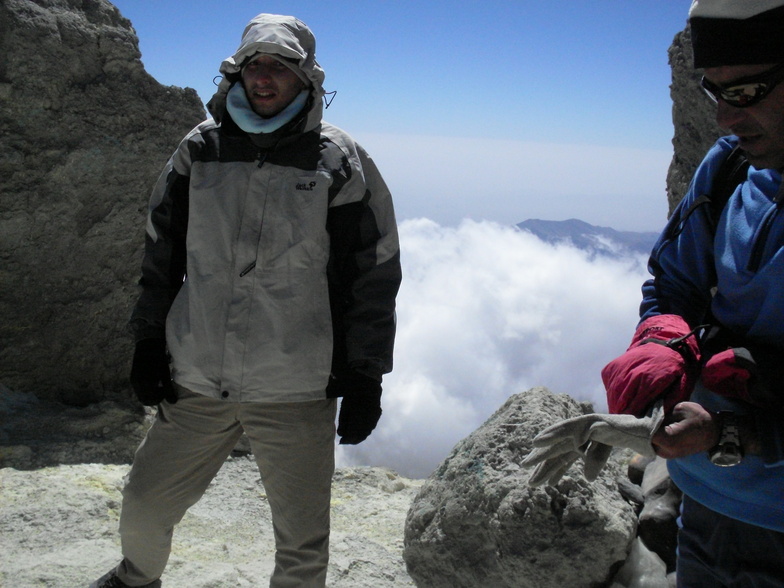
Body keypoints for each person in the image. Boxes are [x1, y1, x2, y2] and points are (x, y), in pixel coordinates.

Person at [90, 13, 401, 588]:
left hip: (295, 383)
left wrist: (365, 375)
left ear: (305, 79)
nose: (264, 77)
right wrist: (149, 341)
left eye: (279, 67)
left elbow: (374, 272)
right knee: (144, 503)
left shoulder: (337, 159)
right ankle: (136, 579)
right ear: (236, 72)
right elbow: (160, 253)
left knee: (302, 539)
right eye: (254, 65)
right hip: (199, 373)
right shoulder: (200, 149)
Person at [600, 1, 784, 585]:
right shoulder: (729, 168)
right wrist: (661, 347)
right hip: (706, 499)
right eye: (715, 93)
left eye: (749, 90)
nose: (728, 119)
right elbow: (674, 282)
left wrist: (737, 431)